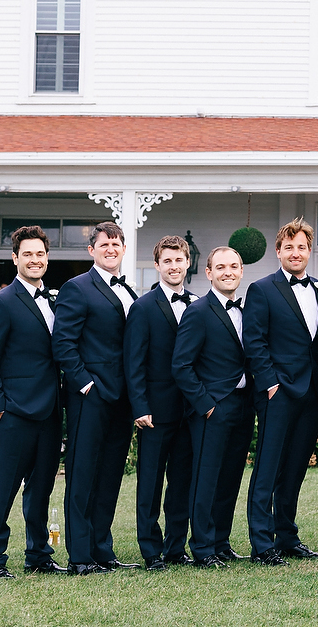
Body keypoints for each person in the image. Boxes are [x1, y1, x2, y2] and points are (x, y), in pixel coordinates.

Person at [0, 226, 68, 578]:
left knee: (41, 488)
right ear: (15, 258)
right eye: (27, 254)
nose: (35, 259)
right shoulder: (0, 303)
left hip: (49, 411)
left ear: (47, 257)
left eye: (40, 254)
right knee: (3, 488)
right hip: (14, 411)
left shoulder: (56, 300)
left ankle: (39, 555)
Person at [54, 220, 138, 574]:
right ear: (92, 250)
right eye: (104, 244)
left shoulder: (130, 292)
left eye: (117, 243)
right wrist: (85, 384)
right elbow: (63, 343)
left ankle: (103, 550)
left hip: (122, 400)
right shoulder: (77, 288)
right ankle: (80, 556)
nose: (111, 249)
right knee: (83, 475)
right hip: (90, 397)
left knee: (109, 476)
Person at [244, 218, 318, 565]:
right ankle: (262, 544)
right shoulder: (262, 289)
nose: (296, 253)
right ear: (279, 251)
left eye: (302, 247)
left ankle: (287, 536)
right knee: (268, 469)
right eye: (290, 247)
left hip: (312, 394)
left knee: (295, 467)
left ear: (310, 251)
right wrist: (270, 384)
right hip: (277, 393)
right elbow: (254, 341)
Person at [171, 246, 255, 568]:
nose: (228, 272)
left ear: (241, 271)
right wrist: (206, 405)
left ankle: (221, 542)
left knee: (230, 478)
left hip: (243, 407)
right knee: (205, 480)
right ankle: (203, 548)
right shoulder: (199, 310)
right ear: (208, 273)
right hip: (212, 410)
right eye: (220, 267)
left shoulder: (247, 310)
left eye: (233, 266)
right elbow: (181, 365)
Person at [124, 235, 196, 569]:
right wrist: (140, 406)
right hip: (154, 411)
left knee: (182, 483)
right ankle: (151, 551)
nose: (174, 266)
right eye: (167, 261)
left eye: (179, 260)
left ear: (188, 262)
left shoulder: (198, 303)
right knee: (150, 484)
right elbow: (133, 361)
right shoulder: (143, 307)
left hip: (190, 411)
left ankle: (175, 547)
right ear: (157, 265)